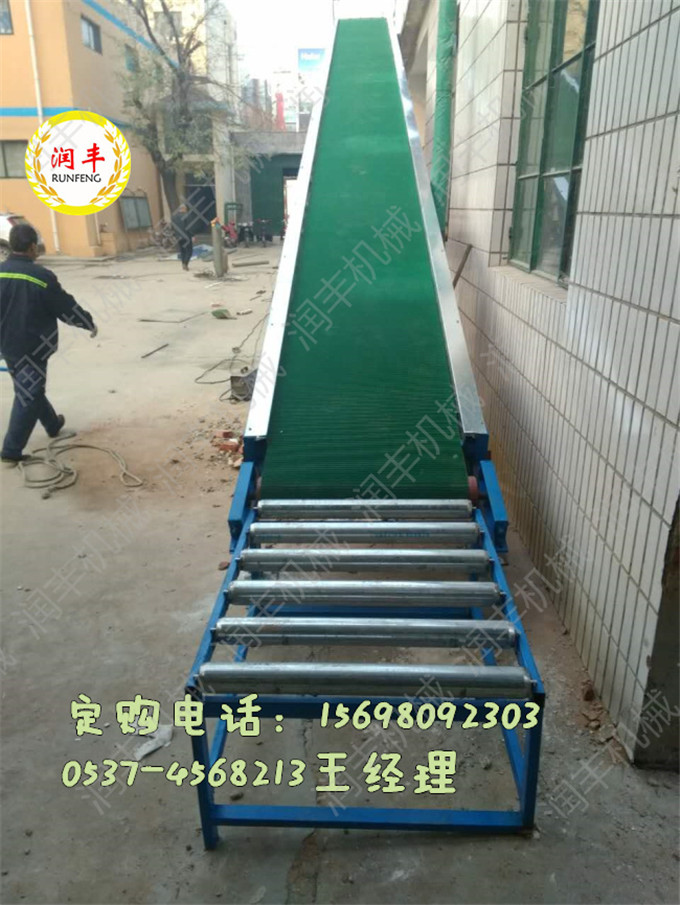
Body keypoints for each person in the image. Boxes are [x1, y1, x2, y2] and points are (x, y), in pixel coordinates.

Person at [0, 223, 97, 463]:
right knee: (28, 394)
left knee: (28, 387)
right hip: (34, 346)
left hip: (7, 345)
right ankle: (11, 450)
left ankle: (52, 424)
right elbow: (64, 306)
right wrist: (87, 322)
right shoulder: (41, 277)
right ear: (33, 247)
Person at [172, 203, 194, 271]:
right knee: (189, 251)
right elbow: (189, 227)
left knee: (182, 251)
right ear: (184, 209)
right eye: (186, 209)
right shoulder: (187, 216)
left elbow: (172, 227)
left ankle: (183, 263)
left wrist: (174, 235)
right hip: (187, 236)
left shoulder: (174, 217)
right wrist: (192, 235)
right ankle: (185, 264)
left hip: (178, 237)